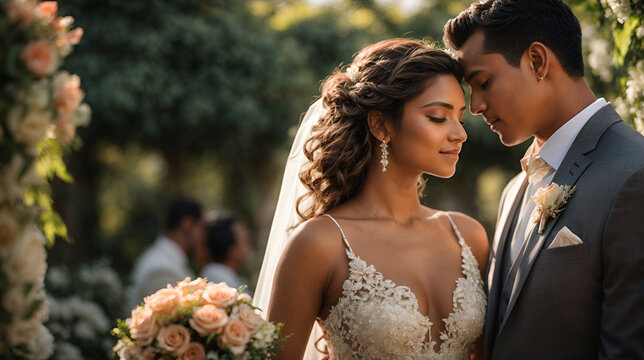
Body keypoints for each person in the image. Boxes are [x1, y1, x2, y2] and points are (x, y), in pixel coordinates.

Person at [254, 38, 489, 360]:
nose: (459, 133)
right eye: (437, 117)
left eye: (460, 117)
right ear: (380, 124)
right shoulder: (320, 244)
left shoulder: (468, 236)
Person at [443, 1, 644, 358]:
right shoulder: (513, 190)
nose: (475, 106)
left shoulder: (634, 174)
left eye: (484, 82)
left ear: (537, 61)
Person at [128, 197, 205, 309]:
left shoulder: (161, 258)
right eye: (202, 229)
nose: (204, 238)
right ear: (187, 225)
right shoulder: (162, 270)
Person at [197, 213, 252, 290]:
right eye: (245, 241)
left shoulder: (223, 274)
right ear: (232, 250)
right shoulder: (216, 276)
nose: (249, 247)